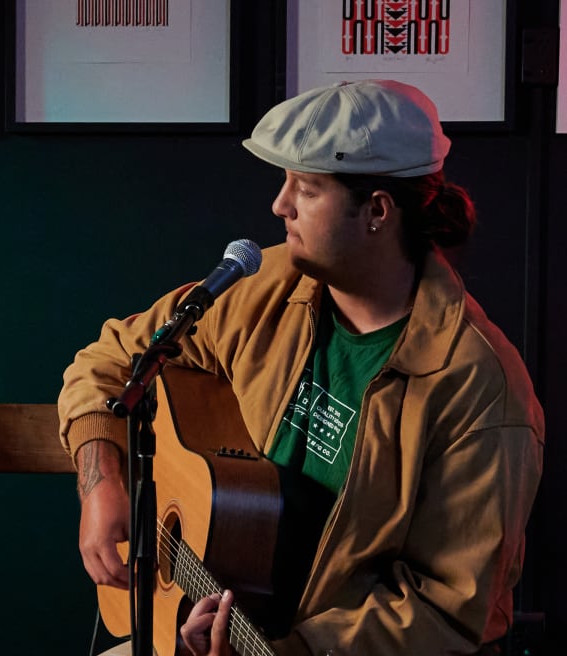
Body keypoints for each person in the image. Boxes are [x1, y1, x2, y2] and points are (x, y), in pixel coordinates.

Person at [57, 80, 544, 655]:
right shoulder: (264, 284)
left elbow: (450, 611)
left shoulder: (482, 392)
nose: (278, 205)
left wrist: (287, 649)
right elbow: (112, 359)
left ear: (378, 212)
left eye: (306, 189)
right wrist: (101, 482)